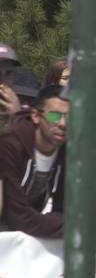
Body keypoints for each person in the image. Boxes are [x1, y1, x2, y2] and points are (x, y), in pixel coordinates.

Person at [0, 85, 67, 237]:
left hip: (31, 240)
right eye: (54, 116)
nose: (63, 124)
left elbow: (68, 210)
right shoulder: (9, 145)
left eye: (70, 117)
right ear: (36, 115)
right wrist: (67, 225)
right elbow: (16, 215)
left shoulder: (69, 152)